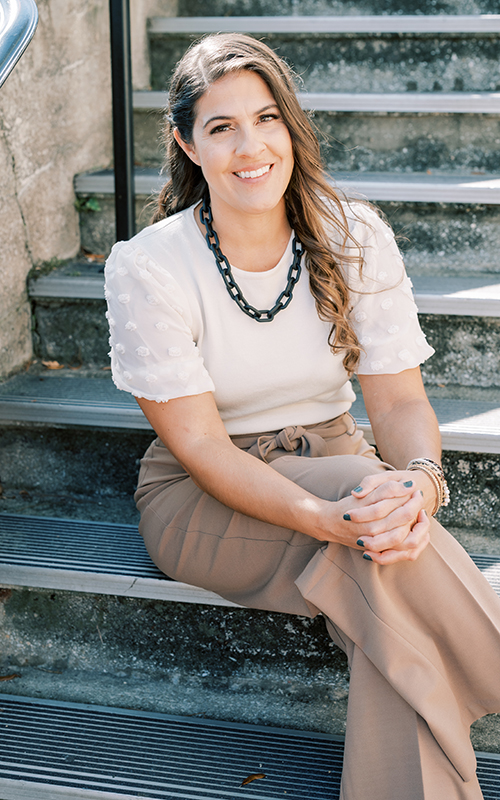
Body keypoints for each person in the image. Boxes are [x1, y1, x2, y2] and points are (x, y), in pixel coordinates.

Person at [104, 32, 500, 800]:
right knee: (364, 501)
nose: (251, 147)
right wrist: (330, 516)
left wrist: (419, 484)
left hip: (342, 468)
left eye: (267, 119)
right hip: (205, 500)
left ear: (291, 126)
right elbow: (202, 450)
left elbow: (400, 401)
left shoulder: (352, 235)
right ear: (187, 141)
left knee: (380, 567)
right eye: (222, 128)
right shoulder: (149, 266)